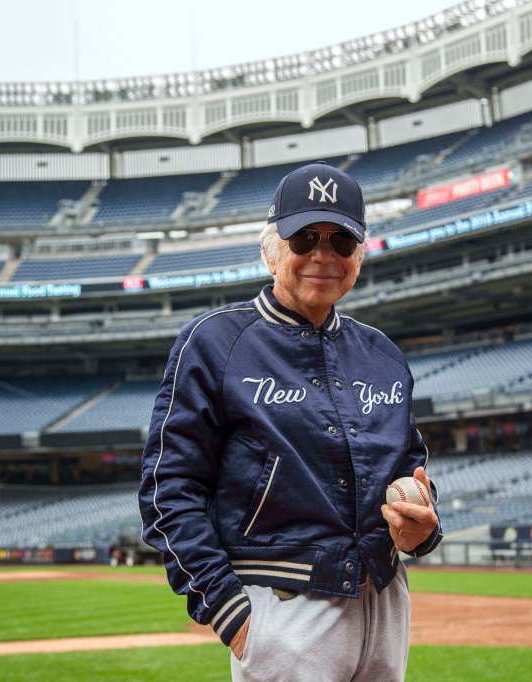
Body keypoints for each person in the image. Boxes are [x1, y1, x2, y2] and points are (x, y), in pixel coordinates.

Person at [138, 161, 442, 682]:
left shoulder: (383, 353)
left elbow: (410, 469)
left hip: (386, 600)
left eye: (341, 241)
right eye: (304, 238)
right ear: (271, 250)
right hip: (284, 609)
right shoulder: (214, 342)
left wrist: (420, 529)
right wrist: (231, 614)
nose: (323, 255)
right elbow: (169, 490)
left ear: (359, 256)